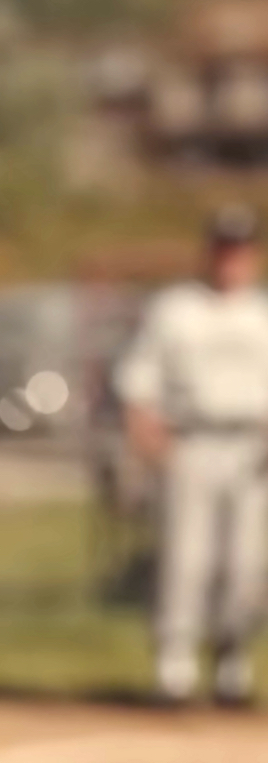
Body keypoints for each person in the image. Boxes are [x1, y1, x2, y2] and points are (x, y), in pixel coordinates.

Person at [115, 204, 268, 708]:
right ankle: (175, 666)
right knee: (187, 558)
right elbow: (140, 375)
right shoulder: (176, 308)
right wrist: (144, 429)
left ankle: (232, 661)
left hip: (252, 449)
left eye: (240, 249)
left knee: (246, 565)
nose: (231, 260)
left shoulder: (261, 312)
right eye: (223, 248)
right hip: (192, 442)